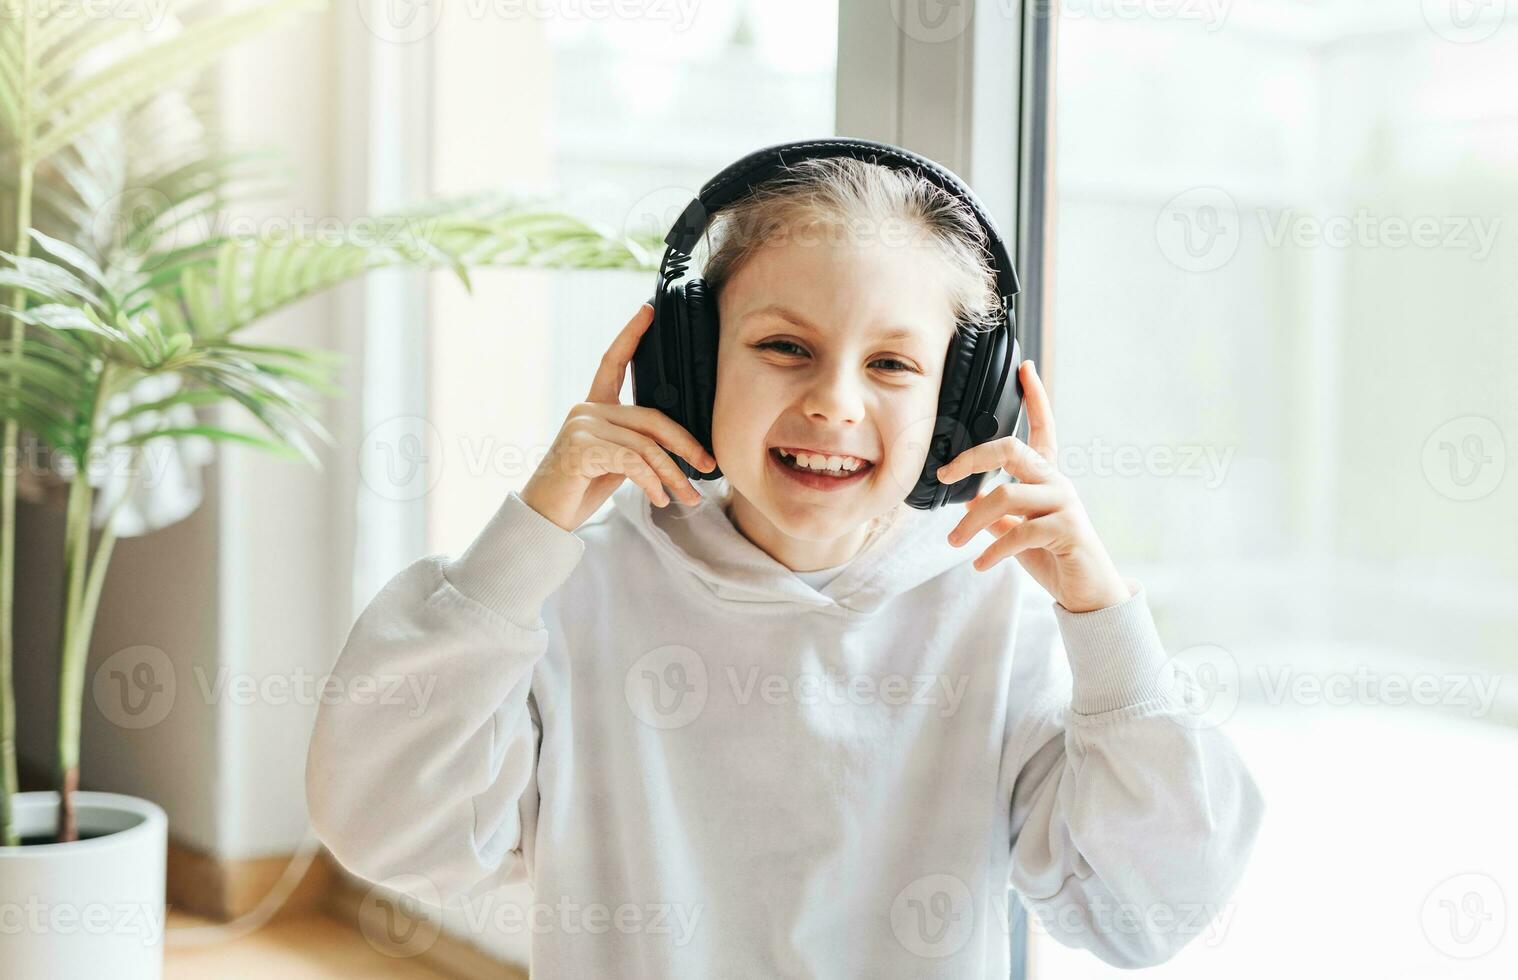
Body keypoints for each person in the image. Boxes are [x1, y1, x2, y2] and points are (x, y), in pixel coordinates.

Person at [305, 155, 1263, 978]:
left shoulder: (994, 617)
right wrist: (530, 534)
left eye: (893, 365)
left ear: (963, 407)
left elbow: (1148, 910)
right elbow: (387, 823)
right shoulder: (569, 595)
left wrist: (1104, 622)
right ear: (688, 369)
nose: (835, 401)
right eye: (784, 347)